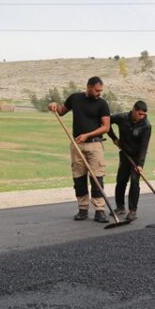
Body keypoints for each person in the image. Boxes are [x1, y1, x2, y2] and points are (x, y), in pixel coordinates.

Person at [48, 76, 111, 223]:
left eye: (101, 90)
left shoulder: (102, 104)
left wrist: (87, 135)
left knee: (97, 178)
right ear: (88, 87)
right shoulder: (75, 98)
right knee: (79, 178)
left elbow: (106, 127)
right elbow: (62, 111)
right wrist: (53, 105)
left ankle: (100, 210)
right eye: (96, 90)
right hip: (76, 145)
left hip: (95, 145)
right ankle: (82, 210)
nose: (99, 93)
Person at [108, 101, 151, 222]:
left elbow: (144, 146)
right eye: (139, 114)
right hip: (125, 153)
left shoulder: (146, 126)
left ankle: (133, 211)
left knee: (134, 181)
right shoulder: (122, 118)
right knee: (121, 180)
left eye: (143, 114)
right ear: (133, 110)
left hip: (137, 157)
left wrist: (140, 165)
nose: (141, 117)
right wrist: (114, 138)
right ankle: (120, 207)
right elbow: (106, 121)